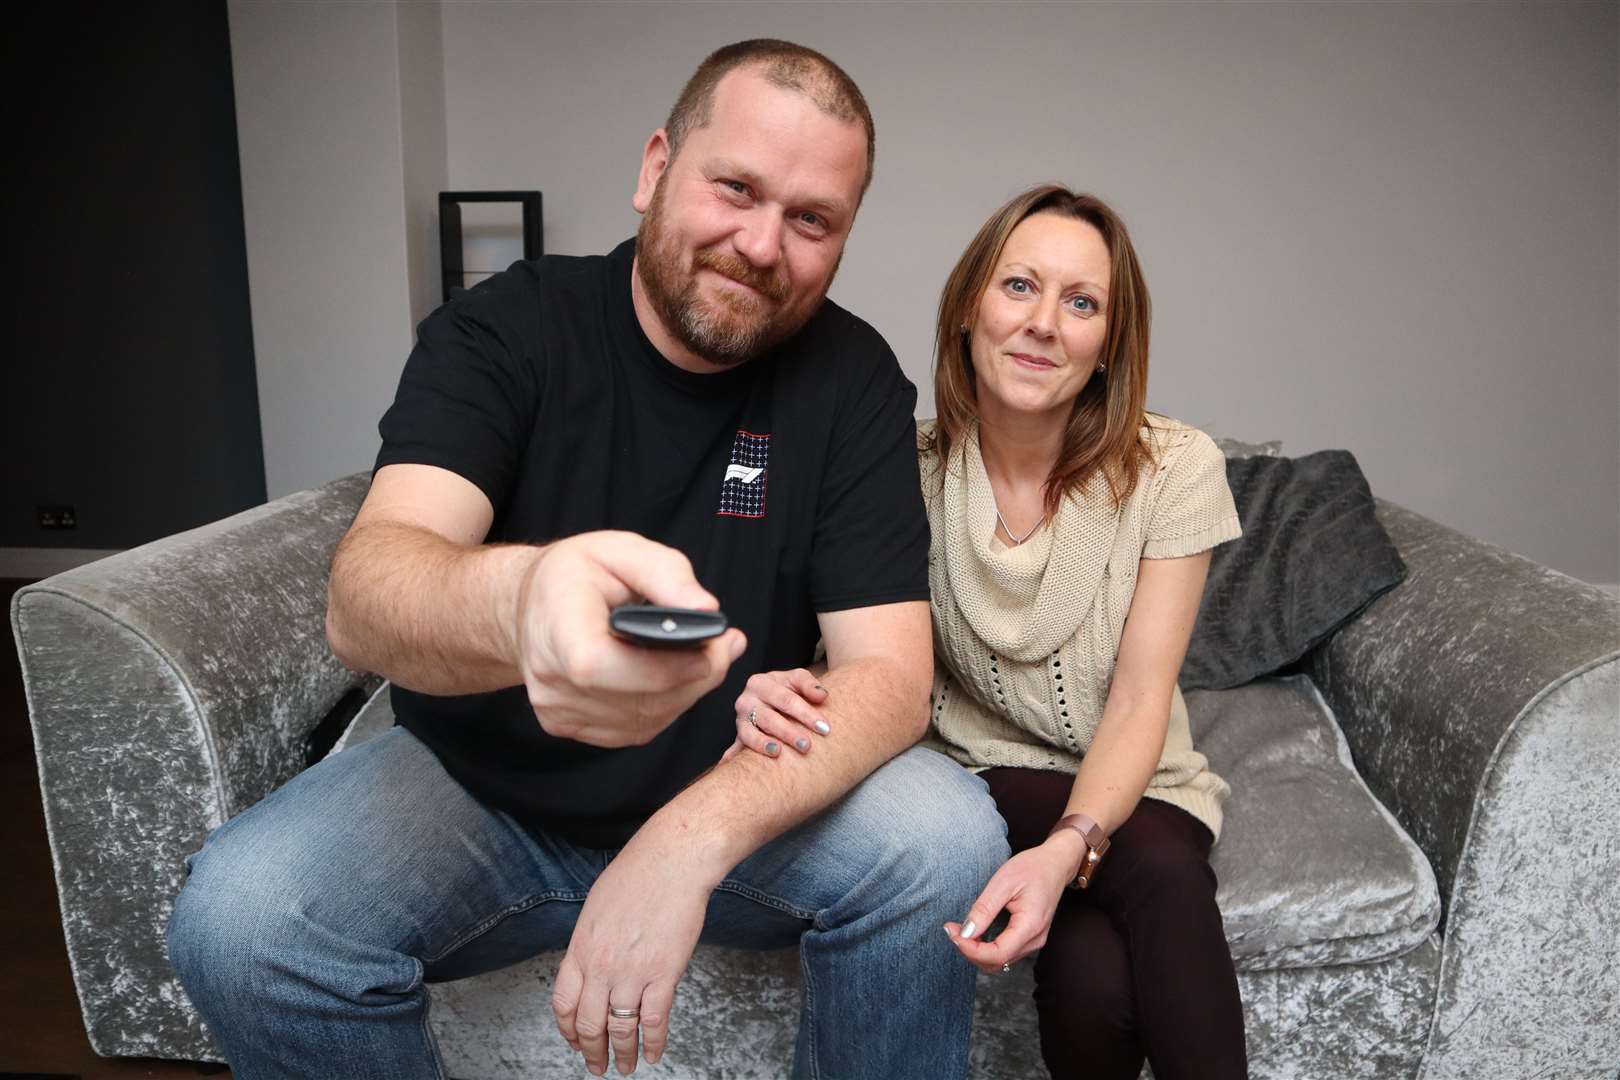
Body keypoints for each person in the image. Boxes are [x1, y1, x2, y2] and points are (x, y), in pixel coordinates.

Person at [165, 39, 1007, 1080]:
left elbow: (891, 677)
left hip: (736, 801)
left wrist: (687, 840)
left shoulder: (854, 379)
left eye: (811, 220)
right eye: (735, 187)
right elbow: (368, 591)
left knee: (948, 838)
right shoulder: (506, 328)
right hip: (482, 794)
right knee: (240, 920)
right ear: (656, 168)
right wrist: (526, 597)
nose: (760, 244)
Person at [731, 185, 1249, 1078]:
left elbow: (1137, 702)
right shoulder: (899, 464)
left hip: (1131, 782)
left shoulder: (1174, 469)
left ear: (1108, 346)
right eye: (1019, 287)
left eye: (1081, 303)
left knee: (1098, 964)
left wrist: (1063, 853)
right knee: (1155, 870)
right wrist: (774, 680)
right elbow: (849, 650)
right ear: (970, 306)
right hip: (972, 780)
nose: (1044, 323)